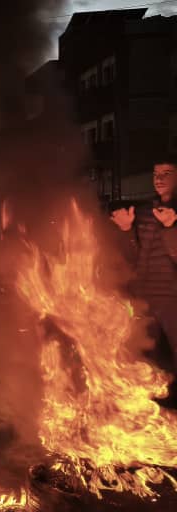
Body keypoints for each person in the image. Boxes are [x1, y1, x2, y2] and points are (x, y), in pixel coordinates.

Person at [111, 156, 177, 401]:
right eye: (156, 174)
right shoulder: (145, 212)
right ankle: (154, 405)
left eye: (166, 174)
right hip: (144, 297)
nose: (159, 179)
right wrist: (126, 230)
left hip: (172, 297)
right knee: (147, 354)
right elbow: (133, 255)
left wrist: (171, 227)